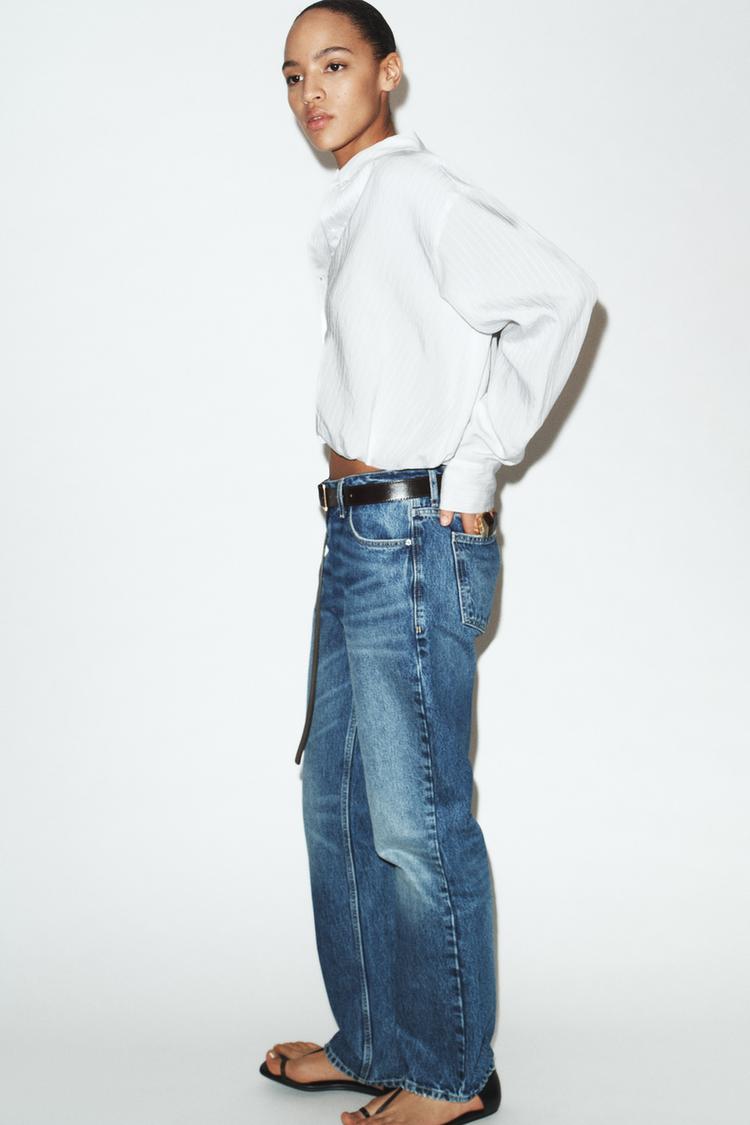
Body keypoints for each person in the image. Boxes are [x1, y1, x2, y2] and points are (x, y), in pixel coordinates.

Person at [260, 3, 598, 1123]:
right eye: (294, 75)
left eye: (336, 64)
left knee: (415, 818)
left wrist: (475, 471)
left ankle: (451, 1074)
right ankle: (376, 1039)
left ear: (390, 73)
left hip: (410, 535)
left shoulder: (414, 191)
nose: (312, 91)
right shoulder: (358, 202)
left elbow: (560, 298)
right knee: (338, 804)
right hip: (356, 534)